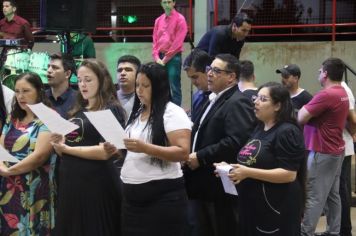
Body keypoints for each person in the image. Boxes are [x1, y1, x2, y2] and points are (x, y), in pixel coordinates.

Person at [107, 62, 191, 236]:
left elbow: (183, 152)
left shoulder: (172, 112)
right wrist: (116, 148)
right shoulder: (138, 112)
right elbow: (130, 151)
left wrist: (145, 148)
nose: (139, 90)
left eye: (145, 86)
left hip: (162, 197)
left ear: (159, 87)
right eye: (137, 85)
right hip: (132, 199)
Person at [215, 82, 305, 236]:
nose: (255, 102)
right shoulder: (259, 129)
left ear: (277, 106)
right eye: (256, 98)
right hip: (253, 204)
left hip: (276, 205)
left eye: (263, 99)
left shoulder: (287, 131)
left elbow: (289, 174)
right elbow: (254, 161)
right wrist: (231, 168)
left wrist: (247, 172)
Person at [50, 59, 125, 236]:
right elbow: (73, 142)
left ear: (102, 80)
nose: (83, 85)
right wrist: (59, 141)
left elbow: (105, 152)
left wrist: (67, 150)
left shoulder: (110, 109)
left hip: (96, 185)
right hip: (71, 183)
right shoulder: (78, 109)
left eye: (88, 80)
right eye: (80, 79)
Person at [184, 54, 255, 236]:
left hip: (217, 185)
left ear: (231, 77)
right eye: (209, 69)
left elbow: (236, 141)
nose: (209, 74)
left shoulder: (237, 102)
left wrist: (201, 156)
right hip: (201, 182)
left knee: (219, 228)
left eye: (216, 71)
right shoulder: (212, 98)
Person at [0, 72, 56, 235]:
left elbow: (40, 156)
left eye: (26, 91)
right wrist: (3, 167)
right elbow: (1, 145)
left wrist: (10, 170)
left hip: (34, 188)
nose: (20, 96)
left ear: (39, 91)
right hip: (9, 186)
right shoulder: (14, 117)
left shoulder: (49, 117)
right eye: (17, 91)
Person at [298, 58, 350, 236]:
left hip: (323, 151)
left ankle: (306, 232)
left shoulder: (326, 94)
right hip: (335, 150)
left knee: (314, 195)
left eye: (320, 71)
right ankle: (333, 231)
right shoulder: (342, 91)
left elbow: (301, 117)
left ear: (326, 74)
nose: (318, 74)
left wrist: (306, 111)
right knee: (332, 195)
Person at [152, 0, 188, 106]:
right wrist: (156, 57)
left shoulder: (180, 19)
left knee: (174, 86)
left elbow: (177, 43)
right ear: (161, 4)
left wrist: (164, 59)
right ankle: (162, 110)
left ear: (174, 3)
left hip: (173, 57)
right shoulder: (158, 20)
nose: (166, 4)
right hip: (159, 57)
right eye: (164, 2)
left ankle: (176, 113)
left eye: (169, 2)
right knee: (160, 85)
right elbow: (154, 40)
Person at [183, 49, 212, 123]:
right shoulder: (197, 97)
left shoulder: (223, 98)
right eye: (190, 78)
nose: (193, 82)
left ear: (208, 71)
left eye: (195, 77)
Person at [46, 53, 77, 119]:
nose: (49, 70)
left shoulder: (79, 100)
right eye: (48, 66)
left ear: (67, 74)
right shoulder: (40, 98)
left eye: (55, 68)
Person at [116, 55, 141, 122]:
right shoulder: (109, 98)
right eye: (119, 70)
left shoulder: (144, 98)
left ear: (138, 74)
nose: (122, 73)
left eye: (128, 70)